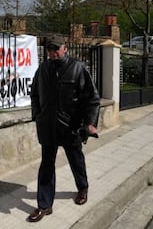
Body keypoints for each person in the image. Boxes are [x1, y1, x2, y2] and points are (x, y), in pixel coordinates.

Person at [28, 35, 100, 222]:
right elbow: (34, 93)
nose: (52, 53)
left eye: (55, 49)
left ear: (64, 48)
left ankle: (82, 187)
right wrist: (37, 114)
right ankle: (44, 205)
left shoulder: (77, 68)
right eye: (49, 50)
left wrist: (90, 123)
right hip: (47, 126)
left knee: (76, 160)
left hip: (71, 127)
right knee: (46, 166)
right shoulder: (42, 69)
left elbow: (92, 98)